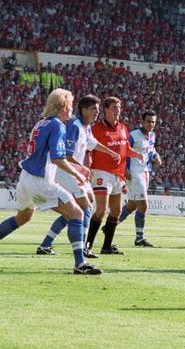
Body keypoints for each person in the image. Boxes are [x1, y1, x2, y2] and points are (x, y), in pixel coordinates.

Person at [0, 88, 102, 275]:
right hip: (41, 181)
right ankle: (80, 263)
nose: (72, 110)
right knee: (77, 213)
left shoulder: (41, 123)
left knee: (23, 217)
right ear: (62, 106)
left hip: (25, 178)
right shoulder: (58, 126)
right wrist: (78, 174)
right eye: (70, 105)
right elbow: (58, 158)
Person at [36, 95, 121, 258]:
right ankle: (82, 248)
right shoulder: (74, 126)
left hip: (75, 172)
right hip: (67, 172)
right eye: (94, 109)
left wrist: (111, 152)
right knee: (86, 206)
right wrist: (82, 169)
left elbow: (93, 143)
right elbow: (66, 155)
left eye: (97, 109)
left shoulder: (86, 127)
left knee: (75, 210)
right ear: (84, 110)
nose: (97, 113)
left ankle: (46, 244)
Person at [85, 97, 143, 255]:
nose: (118, 110)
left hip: (119, 174)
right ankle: (87, 246)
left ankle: (106, 247)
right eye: (114, 108)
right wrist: (86, 167)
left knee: (116, 211)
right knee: (101, 210)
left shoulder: (123, 128)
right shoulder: (96, 129)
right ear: (106, 110)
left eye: (119, 107)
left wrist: (136, 154)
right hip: (101, 172)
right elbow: (87, 148)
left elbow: (125, 149)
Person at [119, 110, 162, 247]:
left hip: (145, 172)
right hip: (134, 173)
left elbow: (151, 149)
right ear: (142, 122)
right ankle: (139, 238)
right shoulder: (133, 135)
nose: (151, 124)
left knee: (132, 205)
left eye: (153, 122)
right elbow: (123, 151)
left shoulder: (152, 135)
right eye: (148, 121)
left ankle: (110, 226)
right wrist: (125, 169)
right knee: (143, 204)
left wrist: (156, 156)